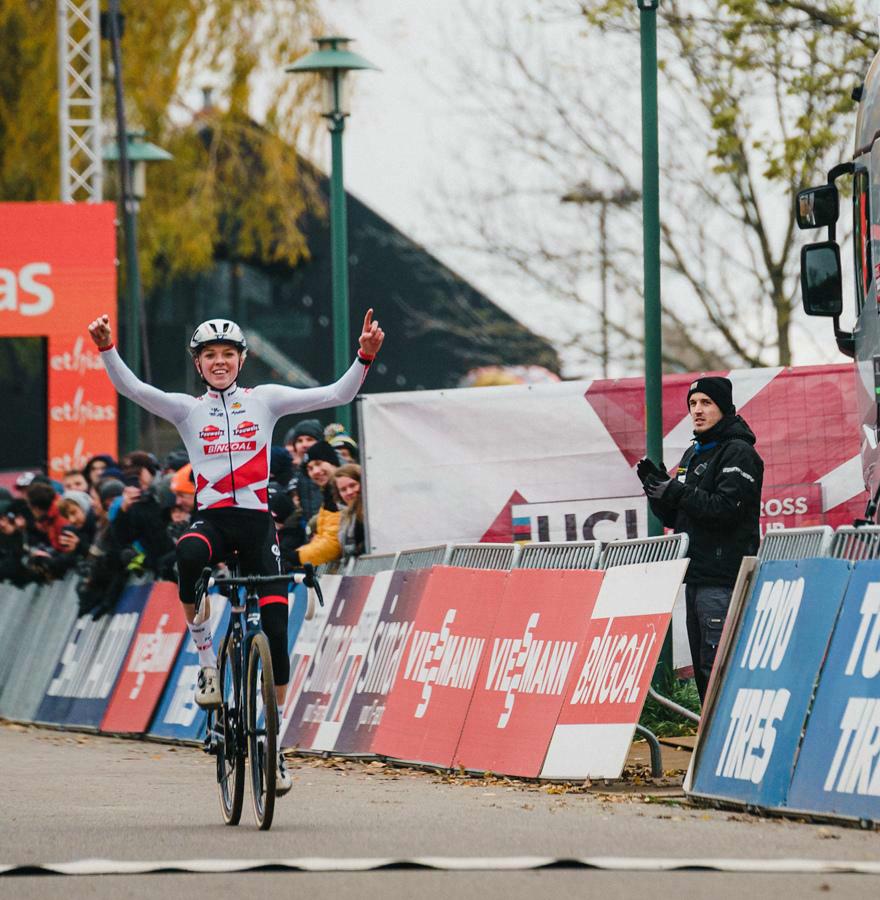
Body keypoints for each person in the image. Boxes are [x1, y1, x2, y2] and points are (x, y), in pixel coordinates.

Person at [88, 309, 384, 795]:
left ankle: (273, 744)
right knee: (187, 555)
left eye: (228, 354)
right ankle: (208, 664)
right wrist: (107, 350)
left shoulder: (264, 401)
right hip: (213, 521)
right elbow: (136, 391)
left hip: (256, 524)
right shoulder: (187, 410)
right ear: (198, 364)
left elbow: (337, 394)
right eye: (210, 356)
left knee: (276, 635)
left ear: (242, 359)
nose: (220, 361)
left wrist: (363, 357)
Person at [637, 376, 764, 704]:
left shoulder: (738, 452)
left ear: (723, 407)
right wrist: (657, 490)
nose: (697, 410)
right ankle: (710, 743)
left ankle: (727, 740)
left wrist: (676, 490)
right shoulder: (695, 454)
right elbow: (675, 519)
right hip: (696, 576)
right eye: (693, 404)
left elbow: (726, 509)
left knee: (719, 665)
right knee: (705, 669)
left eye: (706, 403)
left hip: (723, 579)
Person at [287, 441, 343, 568]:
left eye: (318, 464)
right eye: (310, 468)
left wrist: (296, 557)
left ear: (332, 462)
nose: (315, 472)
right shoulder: (329, 494)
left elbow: (333, 544)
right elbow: (323, 537)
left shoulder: (340, 494)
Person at [334, 463, 365, 563]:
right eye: (343, 490)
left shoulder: (371, 512)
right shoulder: (345, 515)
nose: (349, 492)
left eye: (353, 485)